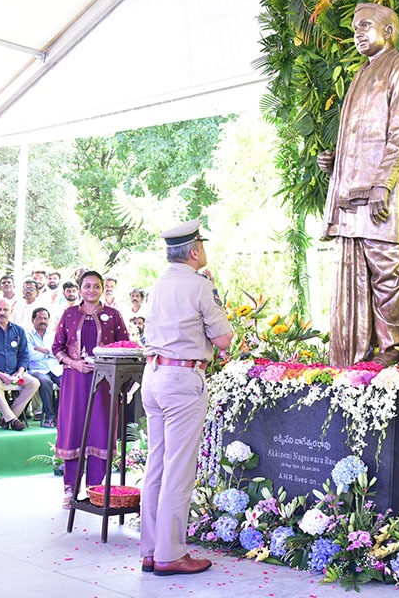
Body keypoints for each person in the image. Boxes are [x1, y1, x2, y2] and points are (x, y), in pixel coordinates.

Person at [316, 2, 399, 368]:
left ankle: (392, 354)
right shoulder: (362, 75)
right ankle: (358, 359)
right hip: (352, 201)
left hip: (384, 198)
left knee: (387, 276)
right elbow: (362, 141)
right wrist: (337, 163)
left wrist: (382, 185)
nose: (357, 33)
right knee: (357, 285)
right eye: (353, 29)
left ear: (389, 31)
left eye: (364, 26)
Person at [139, 220, 233, 576]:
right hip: (182, 379)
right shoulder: (199, 286)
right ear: (194, 251)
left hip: (154, 375)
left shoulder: (157, 284)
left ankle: (151, 551)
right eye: (202, 244)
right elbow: (223, 340)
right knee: (179, 469)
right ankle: (170, 553)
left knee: (157, 466)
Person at [52, 270, 129, 508]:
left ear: (102, 288)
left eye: (96, 286)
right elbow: (57, 347)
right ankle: (70, 490)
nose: (92, 290)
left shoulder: (113, 315)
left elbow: (124, 346)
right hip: (74, 383)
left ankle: (95, 490)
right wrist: (74, 363)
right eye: (87, 286)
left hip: (104, 383)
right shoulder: (69, 314)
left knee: (100, 430)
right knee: (73, 430)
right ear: (80, 289)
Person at [0, 298, 40, 431]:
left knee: (34, 383)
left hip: (14, 373)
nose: (2, 312)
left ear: (11, 311)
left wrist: (20, 372)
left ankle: (6, 418)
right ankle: (12, 420)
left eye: (5, 310)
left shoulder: (19, 331)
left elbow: (24, 355)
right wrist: (0, 374)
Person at [27, 307, 62, 428]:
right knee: (45, 382)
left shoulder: (54, 335)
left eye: (45, 318)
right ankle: (50, 417)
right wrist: (49, 352)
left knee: (68, 383)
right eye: (39, 318)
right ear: (33, 320)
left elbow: (59, 352)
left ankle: (58, 414)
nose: (43, 321)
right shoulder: (27, 335)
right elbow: (30, 355)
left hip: (54, 368)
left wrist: (43, 350)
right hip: (37, 369)